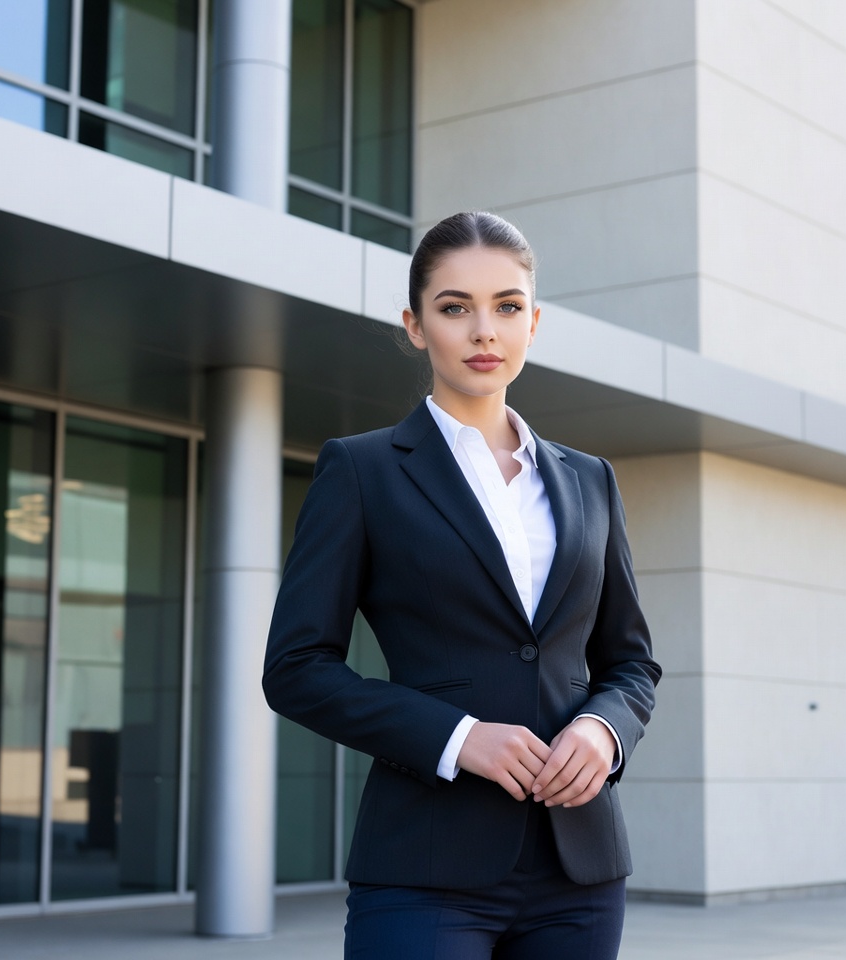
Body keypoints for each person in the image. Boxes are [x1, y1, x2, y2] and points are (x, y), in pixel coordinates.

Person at [263, 211, 660, 959]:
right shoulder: (362, 470)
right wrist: (457, 737)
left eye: (507, 307)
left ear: (534, 323)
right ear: (415, 326)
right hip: (424, 864)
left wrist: (603, 731)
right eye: (455, 308)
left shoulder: (592, 480)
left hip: (579, 872)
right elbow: (295, 670)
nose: (485, 331)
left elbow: (631, 662)